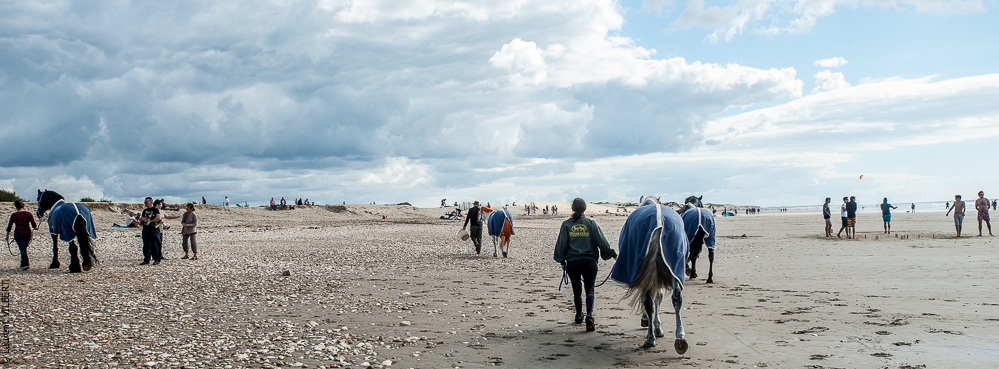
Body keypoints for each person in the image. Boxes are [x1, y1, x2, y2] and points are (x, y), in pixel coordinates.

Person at [553, 198, 617, 332]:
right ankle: (589, 315)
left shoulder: (566, 225)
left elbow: (561, 244)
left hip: (573, 263)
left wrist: (561, 261)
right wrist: (612, 254)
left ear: (572, 208)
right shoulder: (591, 224)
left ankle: (578, 315)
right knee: (590, 289)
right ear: (585, 209)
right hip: (589, 262)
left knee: (577, 290)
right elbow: (602, 242)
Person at [6, 200, 38, 270]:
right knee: (23, 248)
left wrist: (7, 236)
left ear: (16, 207)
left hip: (18, 234)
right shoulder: (28, 214)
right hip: (27, 234)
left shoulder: (14, 215)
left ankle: (25, 264)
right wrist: (35, 227)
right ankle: (23, 263)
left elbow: (9, 227)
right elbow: (33, 223)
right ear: (23, 206)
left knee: (23, 249)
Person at [139, 197, 162, 265]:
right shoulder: (145, 211)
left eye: (147, 202)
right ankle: (146, 259)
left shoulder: (155, 210)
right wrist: (142, 219)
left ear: (151, 202)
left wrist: (149, 220)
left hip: (154, 229)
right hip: (146, 229)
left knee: (155, 245)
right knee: (146, 245)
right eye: (145, 202)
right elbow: (142, 219)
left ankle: (157, 259)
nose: (145, 204)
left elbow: (158, 218)